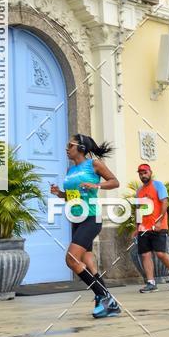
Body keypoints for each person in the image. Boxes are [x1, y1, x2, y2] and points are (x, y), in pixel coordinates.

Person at [50, 135, 122, 318]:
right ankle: (108, 302)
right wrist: (59, 193)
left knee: (71, 259)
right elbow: (72, 195)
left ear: (80, 148)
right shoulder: (71, 169)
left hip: (91, 217)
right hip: (77, 218)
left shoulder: (94, 164)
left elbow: (115, 182)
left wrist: (96, 184)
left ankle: (103, 296)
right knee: (88, 261)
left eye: (70, 145)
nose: (67, 149)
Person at [135, 164, 169, 292]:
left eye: (145, 172)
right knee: (145, 255)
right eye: (140, 173)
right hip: (144, 227)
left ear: (150, 172)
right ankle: (151, 283)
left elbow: (164, 203)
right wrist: (137, 227)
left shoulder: (158, 185)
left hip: (158, 226)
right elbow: (138, 209)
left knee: (160, 253)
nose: (143, 175)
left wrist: (159, 221)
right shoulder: (139, 191)